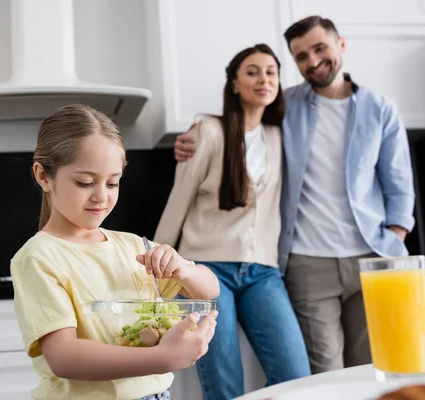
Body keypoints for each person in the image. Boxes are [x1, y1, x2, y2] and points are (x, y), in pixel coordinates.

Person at [174, 16, 415, 374]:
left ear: (341, 45)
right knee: (325, 374)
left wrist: (394, 236)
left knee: (372, 367)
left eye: (320, 48)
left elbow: (399, 184)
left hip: (370, 256)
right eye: (301, 56)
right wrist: (193, 136)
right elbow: (241, 124)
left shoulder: (380, 108)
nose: (313, 61)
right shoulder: (284, 106)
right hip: (307, 263)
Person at [10, 104, 220, 400]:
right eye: (85, 182)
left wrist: (184, 270)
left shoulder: (134, 246)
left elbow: (209, 290)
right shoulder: (39, 257)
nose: (101, 196)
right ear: (43, 176)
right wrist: (164, 358)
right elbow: (64, 357)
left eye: (112, 182)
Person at [154, 44, 311, 400]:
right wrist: (155, 267)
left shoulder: (280, 136)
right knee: (224, 386)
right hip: (207, 269)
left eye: (271, 72)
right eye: (253, 72)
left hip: (263, 271)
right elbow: (178, 200)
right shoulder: (207, 131)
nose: (264, 79)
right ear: (235, 84)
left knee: (296, 379)